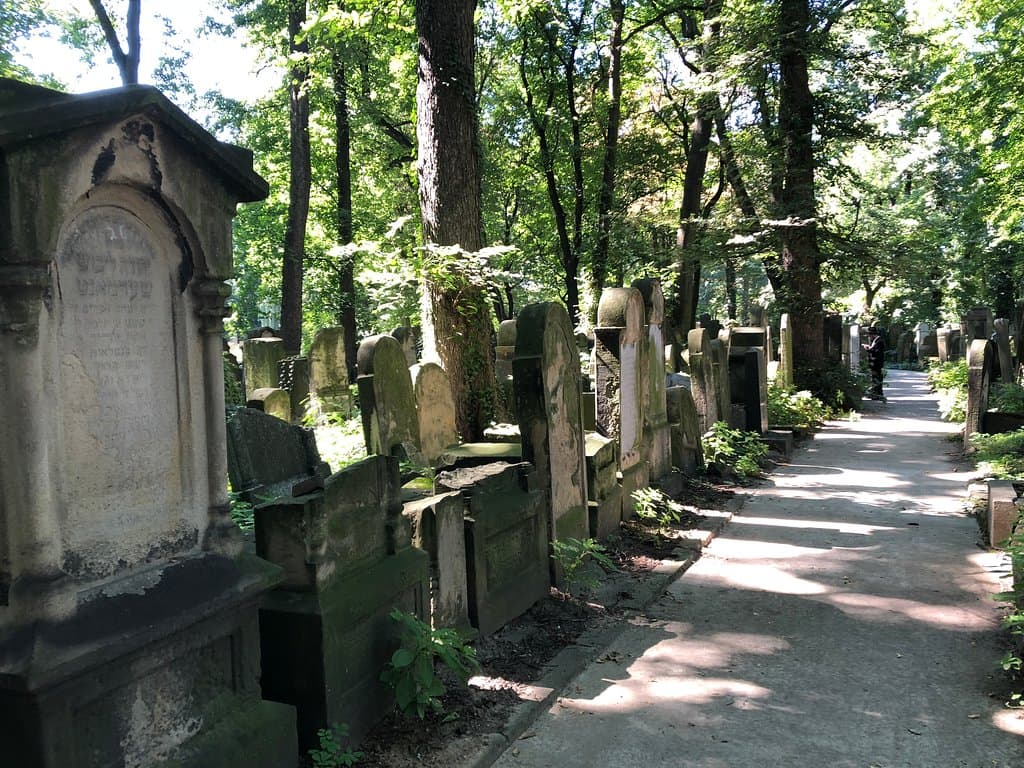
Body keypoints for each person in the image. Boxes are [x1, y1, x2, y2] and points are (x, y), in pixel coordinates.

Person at [863, 326, 886, 401]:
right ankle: (876, 393)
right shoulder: (876, 341)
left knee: (877, 378)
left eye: (869, 335)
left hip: (877, 363)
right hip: (875, 363)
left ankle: (878, 394)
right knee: (875, 378)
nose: (869, 337)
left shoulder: (879, 341)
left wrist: (867, 349)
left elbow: (876, 352)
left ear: (873, 334)